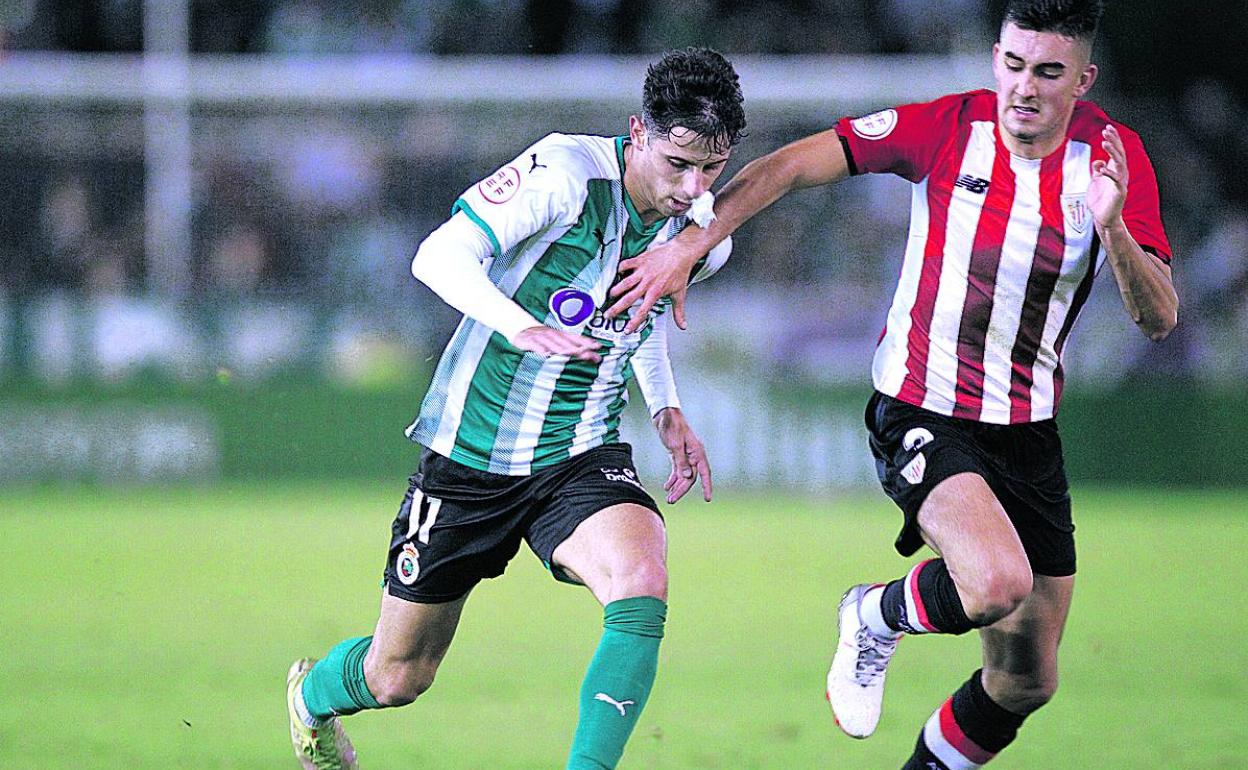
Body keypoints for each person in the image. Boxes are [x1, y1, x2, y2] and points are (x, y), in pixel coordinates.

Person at [605, 2, 1177, 767]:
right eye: (1012, 64)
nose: (1024, 88)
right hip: (920, 408)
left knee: (1024, 682)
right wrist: (687, 247)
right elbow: (785, 167)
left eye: (1048, 72)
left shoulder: (1112, 157)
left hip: (1028, 431)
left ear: (1083, 78)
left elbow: (1160, 315)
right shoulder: (947, 127)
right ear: (995, 58)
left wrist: (1111, 227)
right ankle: (875, 614)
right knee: (995, 583)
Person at [285, 47, 746, 770]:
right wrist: (516, 323)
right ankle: (312, 700)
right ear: (638, 131)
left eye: (710, 169)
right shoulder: (564, 171)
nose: (692, 188)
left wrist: (666, 405)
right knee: (399, 675)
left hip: (579, 452)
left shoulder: (701, 232)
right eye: (677, 163)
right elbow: (436, 255)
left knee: (641, 579)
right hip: (472, 452)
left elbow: (643, 311)